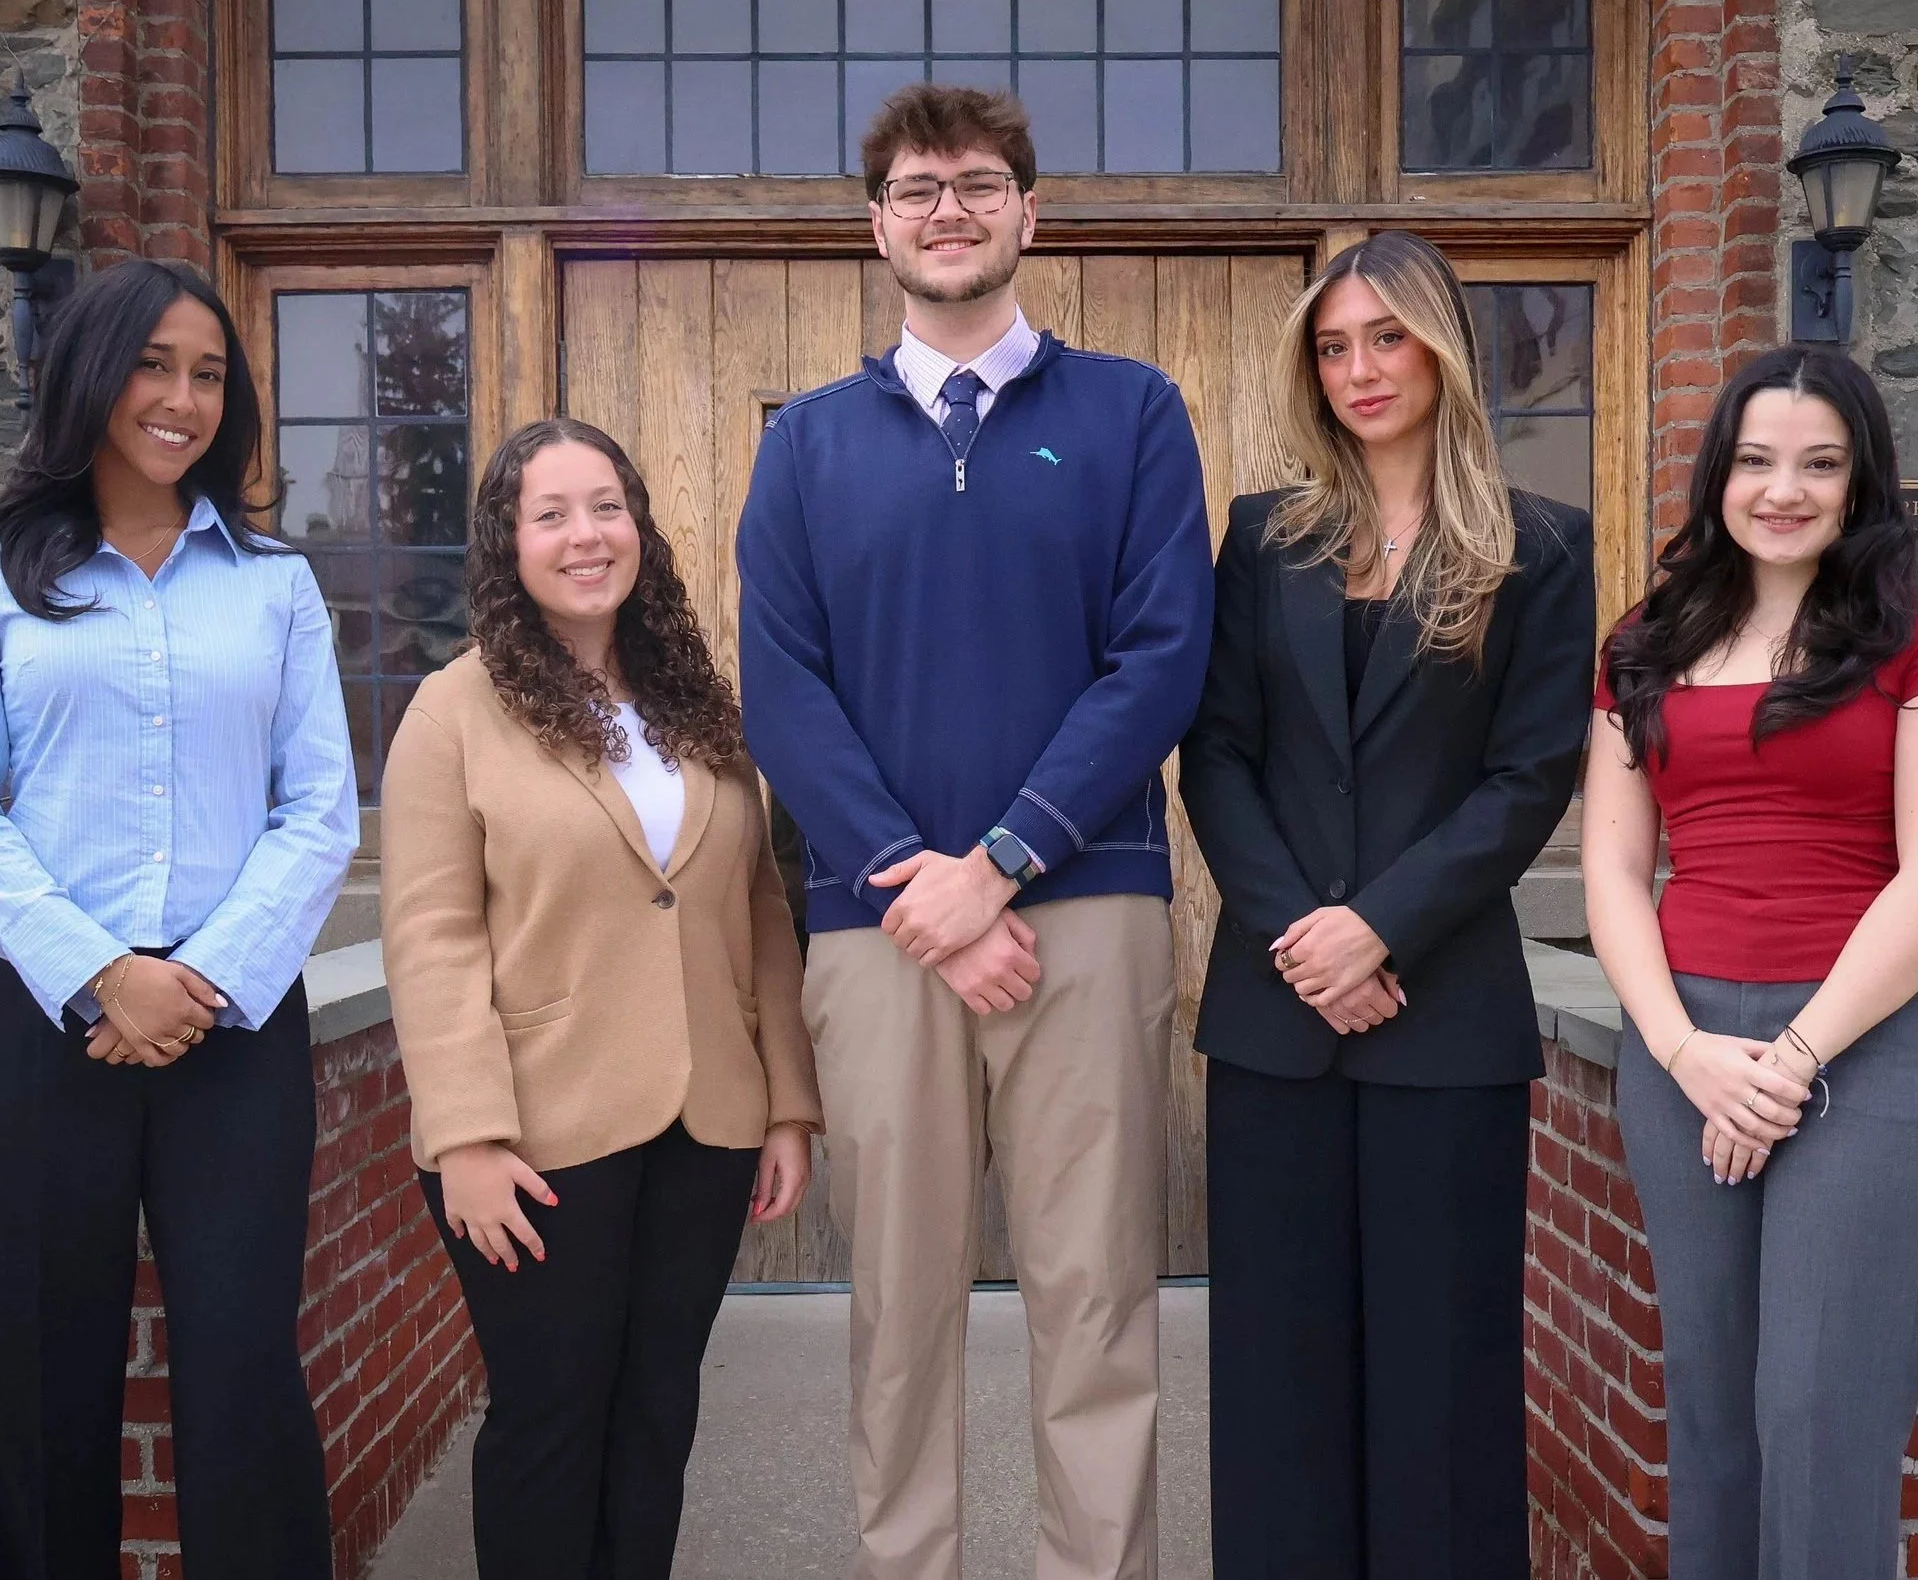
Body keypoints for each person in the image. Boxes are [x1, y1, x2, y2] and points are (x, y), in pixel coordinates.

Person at [736, 84, 1212, 1580]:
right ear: (875, 227)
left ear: (1029, 213)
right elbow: (783, 686)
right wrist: (915, 886)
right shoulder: (807, 445)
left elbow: (1161, 660)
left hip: (1087, 909)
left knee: (1096, 1296)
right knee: (898, 1304)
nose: (949, 209)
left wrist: (1002, 861)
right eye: (917, 188)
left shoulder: (1131, 413)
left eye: (979, 184)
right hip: (878, 929)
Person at [0, 258, 358, 1580]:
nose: (181, 398)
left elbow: (318, 809)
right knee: (33, 1377)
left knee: (243, 1369)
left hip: (232, 1025)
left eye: (208, 373)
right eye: (154, 364)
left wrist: (195, 980)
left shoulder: (275, 584)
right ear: (91, 373)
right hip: (31, 1021)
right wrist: (103, 971)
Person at [1179, 229, 1595, 1579]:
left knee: (1442, 1382)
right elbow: (1217, 754)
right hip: (1275, 1018)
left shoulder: (1540, 545)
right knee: (1277, 1376)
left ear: (1443, 350)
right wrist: (1305, 938)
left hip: (1444, 1017)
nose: (1359, 368)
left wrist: (1382, 927)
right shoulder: (1263, 538)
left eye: (1386, 337)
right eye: (1333, 346)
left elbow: (1530, 774)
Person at [380, 417, 820, 1580]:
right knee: (551, 1417)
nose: (586, 535)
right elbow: (430, 934)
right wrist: (465, 1136)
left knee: (655, 1410)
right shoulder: (453, 712)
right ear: (507, 543)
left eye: (606, 507)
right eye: (552, 514)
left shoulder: (696, 705)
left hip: (705, 1123)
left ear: (639, 527)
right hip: (535, 1131)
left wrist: (787, 1103)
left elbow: (760, 913)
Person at [1584, 345, 1918, 1579]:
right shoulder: (1645, 638)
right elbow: (1613, 872)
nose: (1783, 489)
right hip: (1687, 1050)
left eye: (1819, 463)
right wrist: (1684, 1053)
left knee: (1821, 1411)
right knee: (1712, 1411)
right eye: (1757, 460)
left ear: (1860, 480)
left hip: (1864, 1049)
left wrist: (1795, 1056)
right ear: (1718, 473)